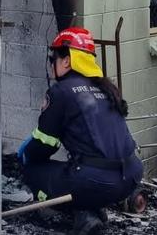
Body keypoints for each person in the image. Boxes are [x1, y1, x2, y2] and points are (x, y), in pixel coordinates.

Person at [17, 27, 143, 235]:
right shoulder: (106, 88)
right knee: (78, 170)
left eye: (53, 59)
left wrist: (24, 156)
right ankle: (91, 210)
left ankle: (85, 212)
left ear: (66, 61)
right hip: (131, 177)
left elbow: (43, 145)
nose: (51, 66)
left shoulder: (61, 91)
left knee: (33, 170)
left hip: (96, 182)